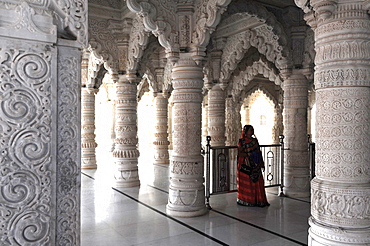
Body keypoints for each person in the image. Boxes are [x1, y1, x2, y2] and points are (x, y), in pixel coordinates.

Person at [237, 125, 270, 207]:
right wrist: (249, 154)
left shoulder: (254, 140)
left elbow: (258, 151)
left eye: (253, 129)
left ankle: (259, 200)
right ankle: (247, 200)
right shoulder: (242, 141)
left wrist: (261, 162)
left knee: (258, 181)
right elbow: (239, 153)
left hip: (256, 163)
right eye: (251, 130)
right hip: (247, 164)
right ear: (246, 131)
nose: (252, 131)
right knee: (248, 182)